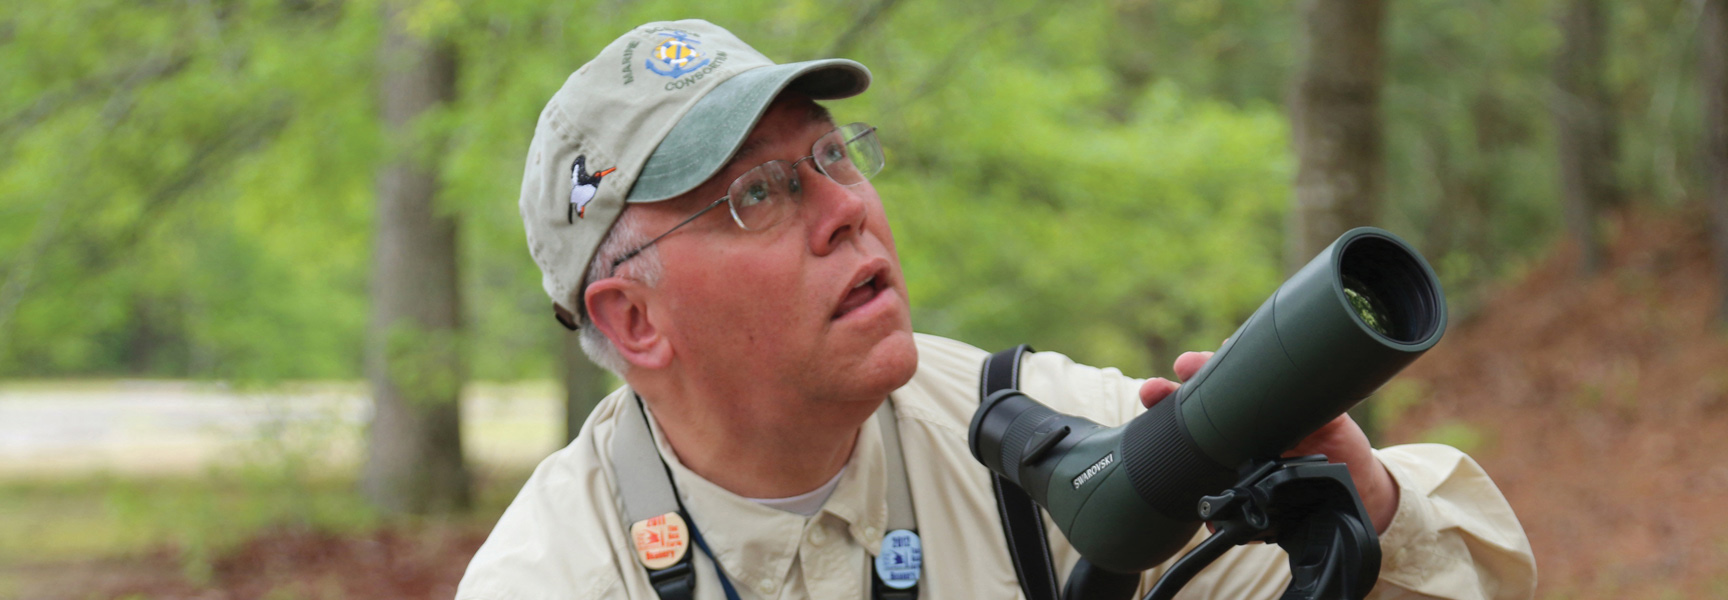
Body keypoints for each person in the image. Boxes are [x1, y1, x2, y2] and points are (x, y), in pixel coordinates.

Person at [458, 19, 1537, 600]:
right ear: (634, 321)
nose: (845, 210)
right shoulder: (560, 576)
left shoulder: (1042, 438)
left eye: (833, 154)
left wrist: (1373, 513)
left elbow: (1472, 585)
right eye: (759, 194)